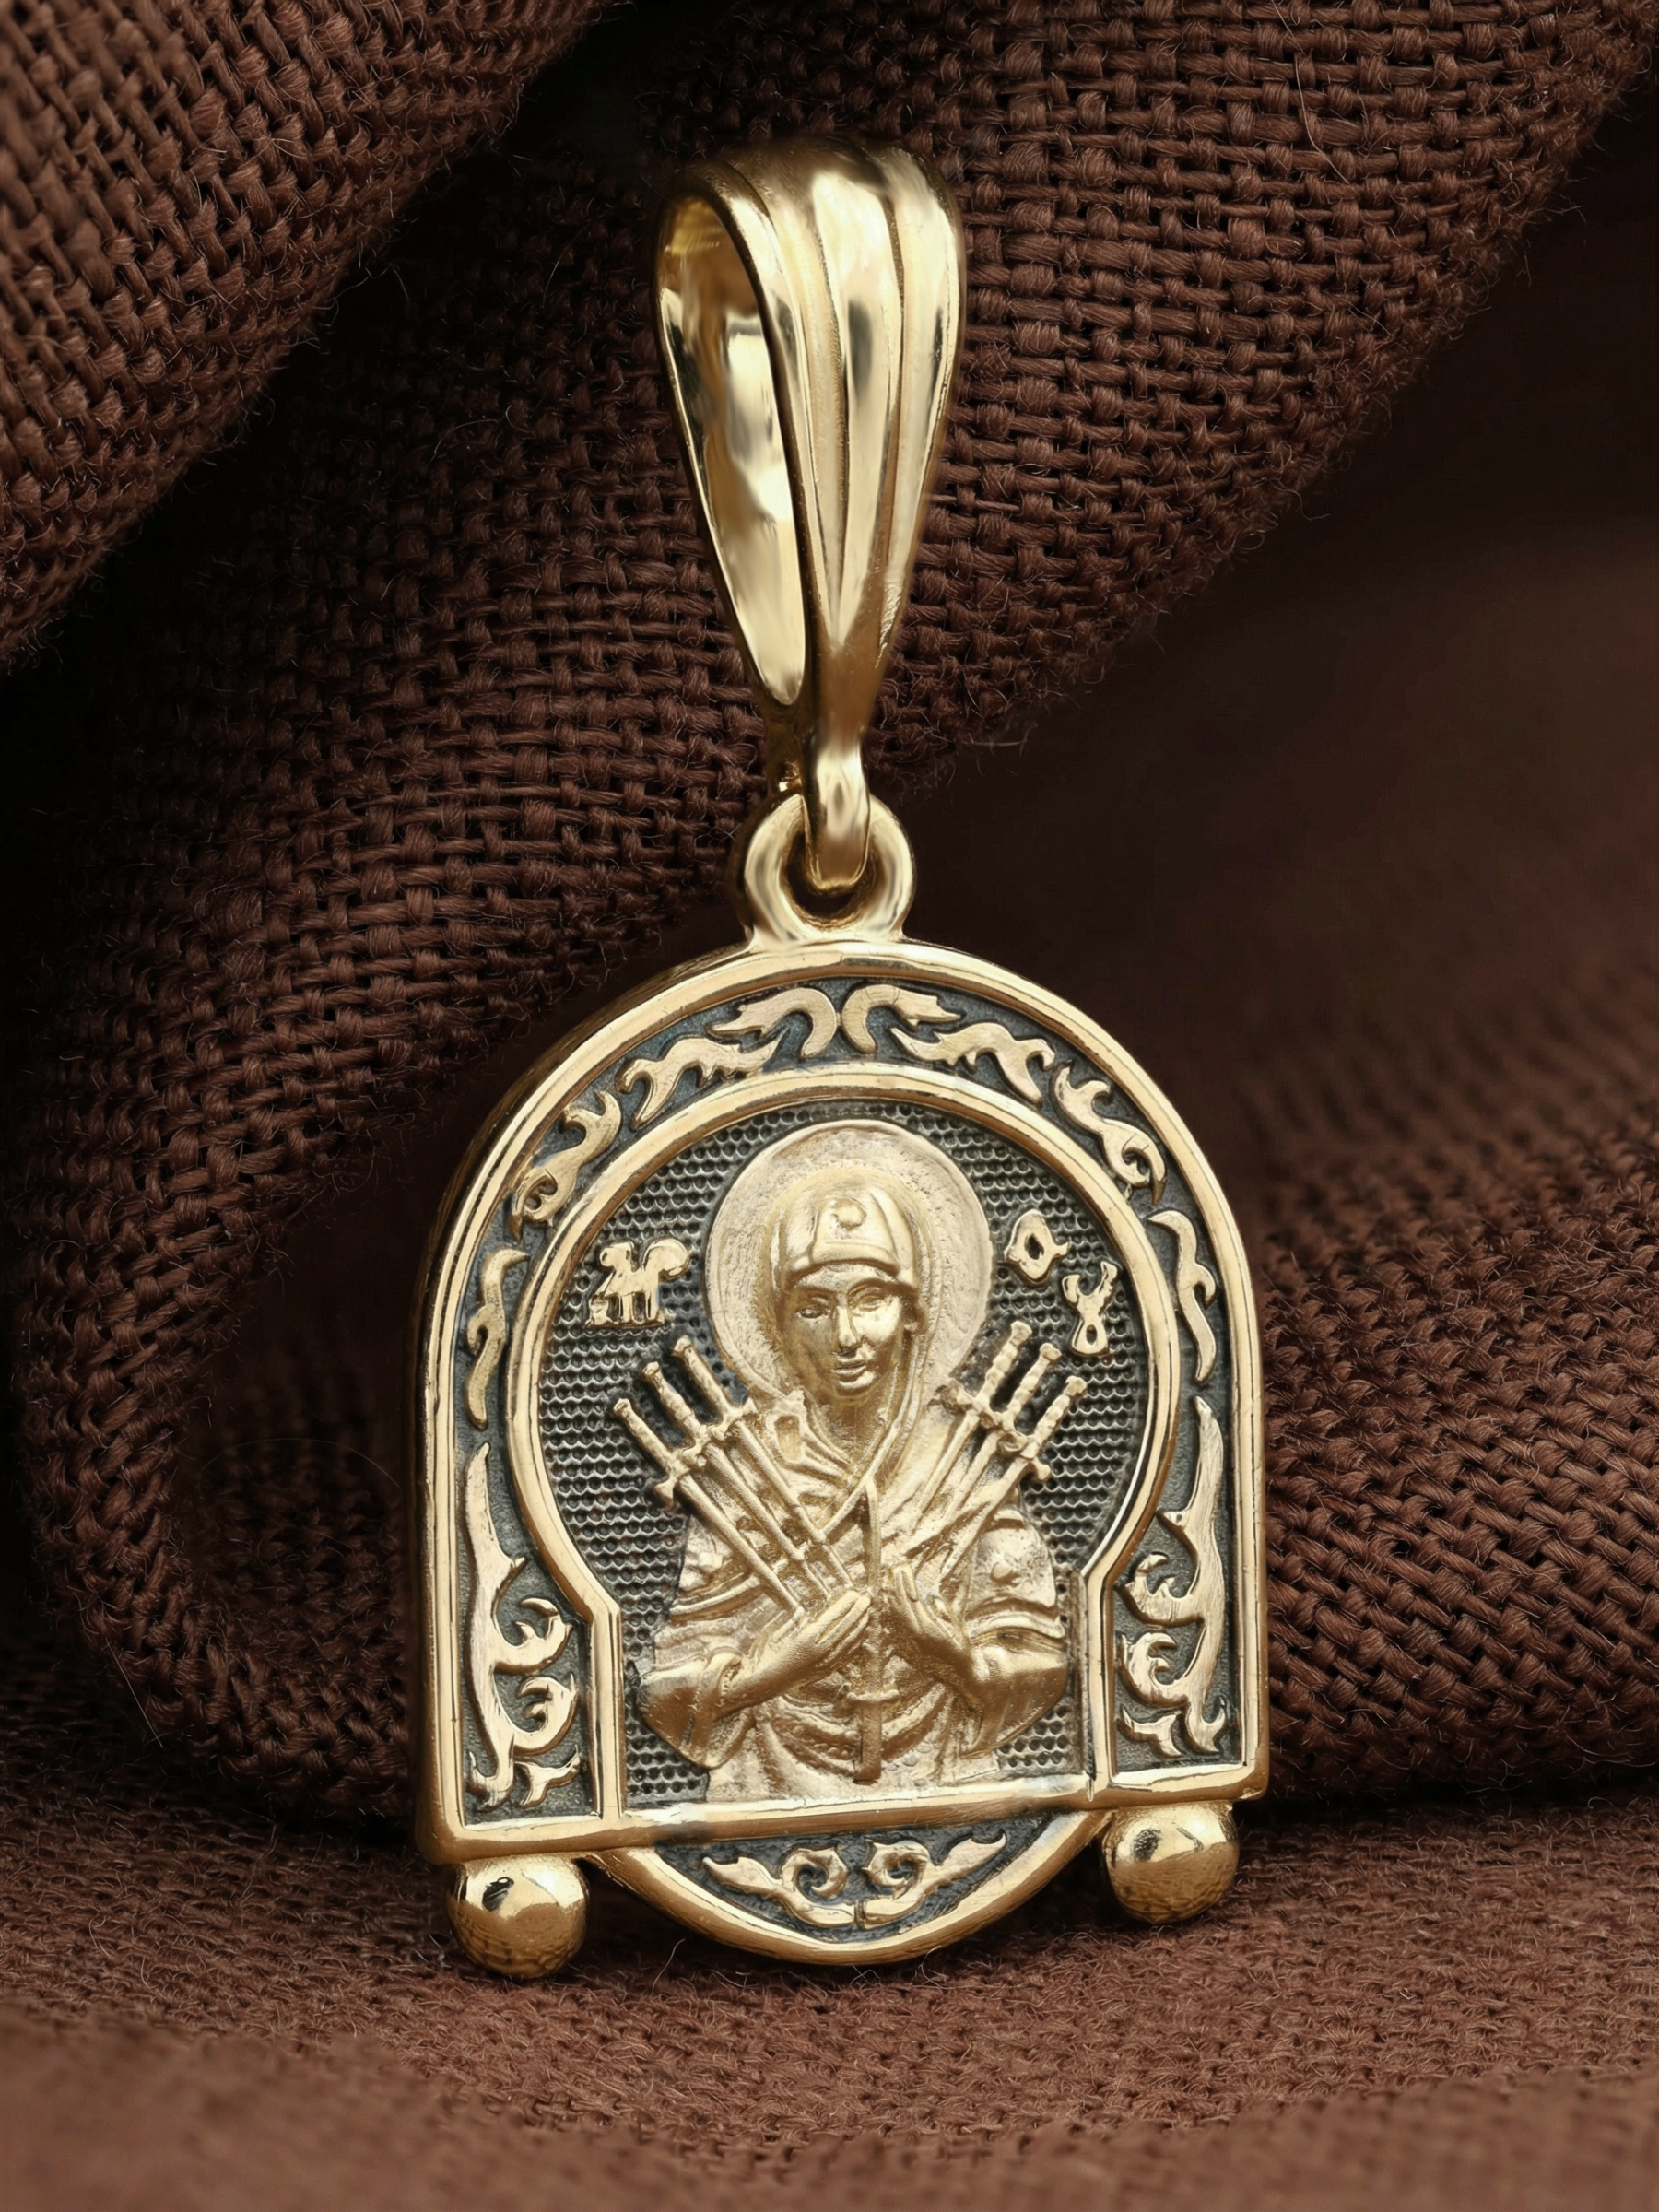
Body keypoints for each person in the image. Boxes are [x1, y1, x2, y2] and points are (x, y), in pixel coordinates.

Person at [637, 1123, 1069, 1803]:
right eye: (814, 1308)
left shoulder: (961, 1464)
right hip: (764, 1789)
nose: (845, 1337)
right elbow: (664, 1687)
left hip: (949, 1786)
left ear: (913, 1313)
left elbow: (1041, 1660)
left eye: (870, 1301)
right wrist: (769, 1673)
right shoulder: (748, 1473)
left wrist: (956, 1659)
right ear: (779, 1326)